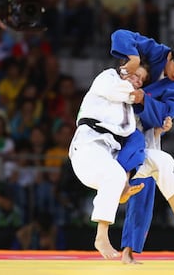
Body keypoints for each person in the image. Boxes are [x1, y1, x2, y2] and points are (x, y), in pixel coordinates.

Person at [110, 29, 174, 264]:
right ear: (169, 57)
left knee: (144, 184)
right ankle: (103, 234)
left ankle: (128, 250)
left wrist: (144, 100)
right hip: (115, 117)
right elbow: (120, 34)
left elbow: (163, 116)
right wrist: (134, 59)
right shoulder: (156, 52)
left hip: (145, 129)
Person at [68, 63, 149, 259]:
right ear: (125, 69)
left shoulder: (130, 112)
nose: (138, 81)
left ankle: (121, 189)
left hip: (107, 153)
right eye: (136, 75)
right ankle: (102, 237)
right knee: (114, 174)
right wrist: (142, 96)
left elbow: (134, 143)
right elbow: (123, 92)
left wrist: (126, 182)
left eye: (142, 80)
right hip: (87, 146)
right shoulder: (108, 78)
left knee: (141, 163)